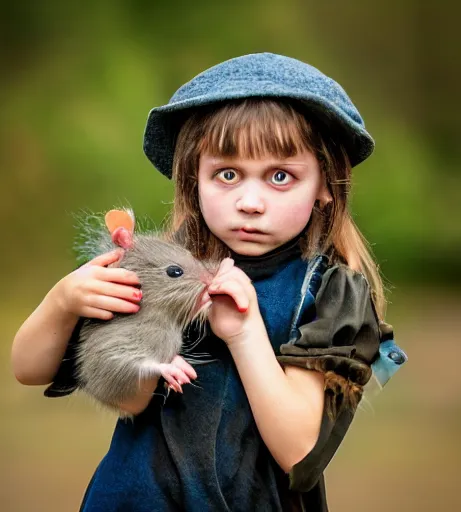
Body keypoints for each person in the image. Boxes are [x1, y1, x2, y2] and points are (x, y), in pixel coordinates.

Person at [11, 52, 407, 511]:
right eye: (228, 174)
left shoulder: (329, 295)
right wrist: (63, 303)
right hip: (132, 499)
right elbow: (31, 369)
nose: (251, 201)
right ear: (193, 179)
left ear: (325, 184)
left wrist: (243, 333)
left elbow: (299, 453)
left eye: (280, 176)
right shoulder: (159, 267)